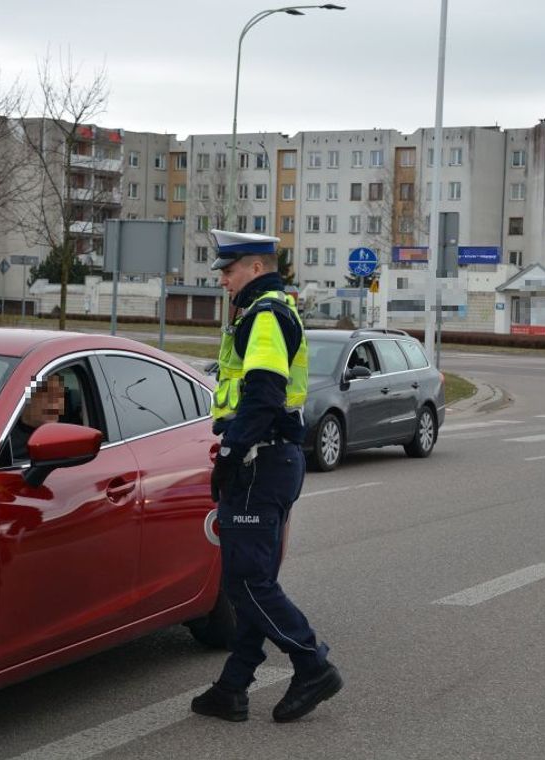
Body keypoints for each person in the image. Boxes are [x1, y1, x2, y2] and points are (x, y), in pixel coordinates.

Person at [191, 229, 342, 724]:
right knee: (251, 580)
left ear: (254, 268)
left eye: (229, 271)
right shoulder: (263, 311)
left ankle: (311, 663)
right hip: (273, 459)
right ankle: (233, 686)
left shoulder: (265, 315)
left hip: (260, 458)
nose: (224, 281)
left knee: (248, 581)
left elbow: (264, 390)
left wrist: (233, 451)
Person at [6, 374, 65, 464]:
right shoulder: (4, 438)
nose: (55, 402)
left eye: (59, 395)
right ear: (26, 398)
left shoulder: (68, 436)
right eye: (48, 395)